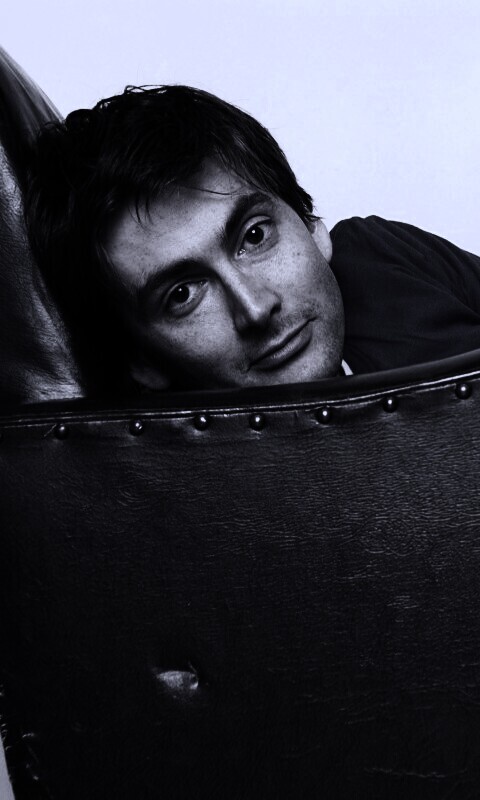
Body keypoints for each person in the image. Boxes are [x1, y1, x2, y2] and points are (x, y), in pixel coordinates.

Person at [24, 85, 480, 394]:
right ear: (141, 362)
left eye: (255, 236)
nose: (256, 308)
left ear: (310, 224)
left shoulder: (381, 252)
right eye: (182, 295)